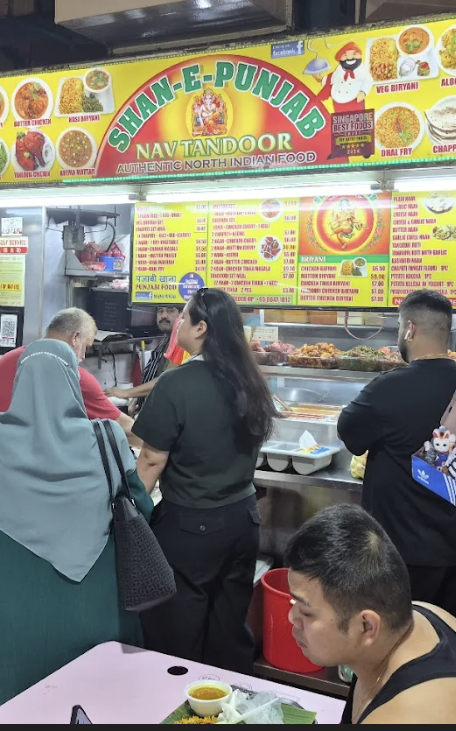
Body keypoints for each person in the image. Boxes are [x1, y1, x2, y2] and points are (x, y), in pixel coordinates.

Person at [0, 338, 153, 720]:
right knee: (100, 706)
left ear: (19, 382)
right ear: (73, 381)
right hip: (98, 620)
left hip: (6, 629)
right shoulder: (107, 442)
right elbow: (142, 512)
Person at [132, 288, 277, 674]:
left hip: (191, 527)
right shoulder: (250, 379)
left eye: (184, 316)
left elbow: (150, 459)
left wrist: (130, 513)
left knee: (178, 632)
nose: (178, 323)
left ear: (201, 327)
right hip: (243, 520)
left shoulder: (177, 383)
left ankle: (179, 709)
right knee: (227, 629)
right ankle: (226, 708)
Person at [285, 505, 456, 724]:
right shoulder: (428, 615)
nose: (291, 618)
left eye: (306, 611)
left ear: (366, 626)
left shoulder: (404, 716)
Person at [337, 290, 456, 622]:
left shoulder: (390, 386)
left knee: (392, 650)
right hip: (455, 550)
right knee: (441, 645)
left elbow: (350, 435)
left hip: (403, 557)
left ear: (409, 329)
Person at [0, 308, 140, 445]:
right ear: (75, 337)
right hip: (29, 467)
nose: (84, 356)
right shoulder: (73, 374)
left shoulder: (6, 359)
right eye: (86, 347)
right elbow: (125, 427)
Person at [105, 305, 181, 414]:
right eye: (160, 311)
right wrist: (136, 398)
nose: (164, 315)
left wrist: (126, 393)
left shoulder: (179, 344)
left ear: (181, 315)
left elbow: (165, 381)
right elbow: (154, 375)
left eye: (170, 310)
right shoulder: (165, 340)